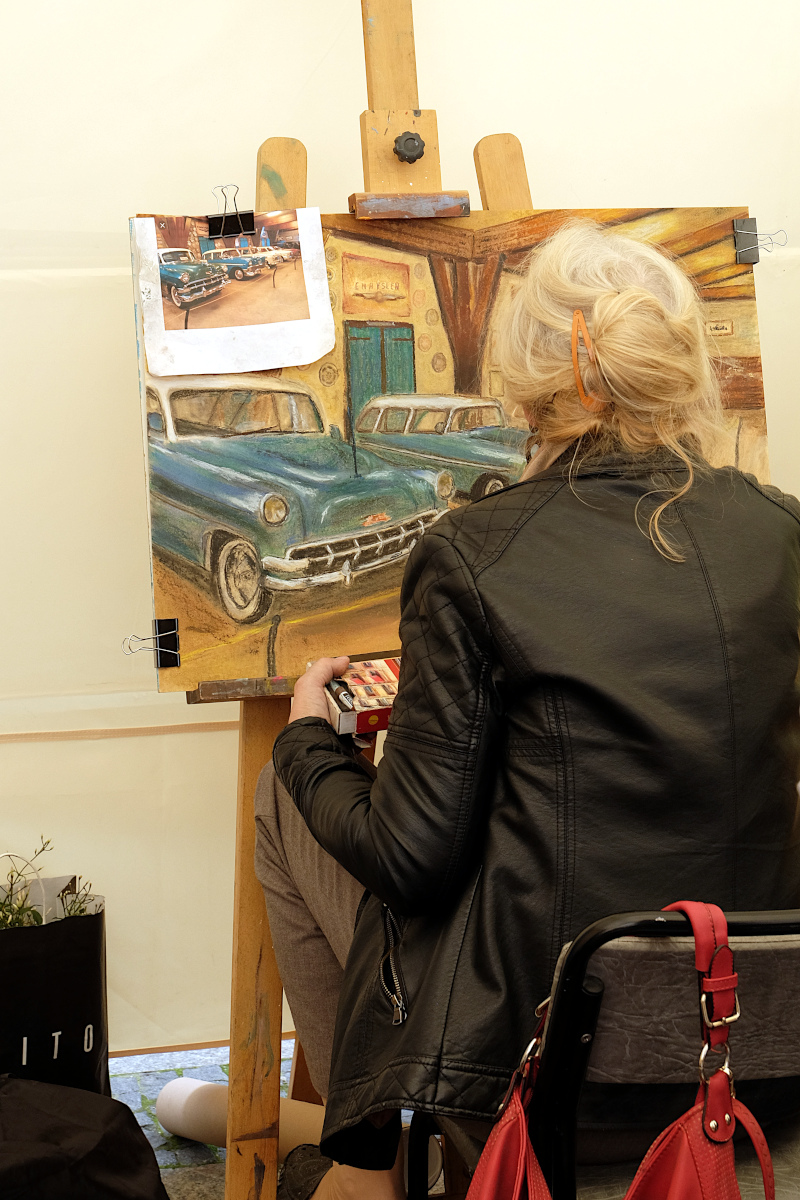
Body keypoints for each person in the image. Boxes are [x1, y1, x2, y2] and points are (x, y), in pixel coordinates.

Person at [255, 220, 800, 1200]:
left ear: (529, 380)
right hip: (752, 1052)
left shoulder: (471, 552)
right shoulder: (780, 532)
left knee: (280, 794)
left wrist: (305, 742)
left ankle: (368, 1164)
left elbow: (412, 860)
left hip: (538, 1075)